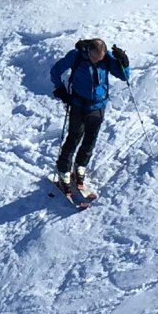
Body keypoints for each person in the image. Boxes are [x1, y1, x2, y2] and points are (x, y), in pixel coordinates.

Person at [47, 37, 131, 199]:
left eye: (99, 58)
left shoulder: (107, 58)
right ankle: (64, 171)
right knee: (74, 138)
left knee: (91, 139)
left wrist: (124, 63)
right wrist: (60, 89)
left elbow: (124, 76)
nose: (96, 61)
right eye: (93, 57)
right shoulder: (76, 56)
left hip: (98, 107)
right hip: (78, 105)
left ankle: (80, 167)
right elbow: (55, 71)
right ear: (88, 51)